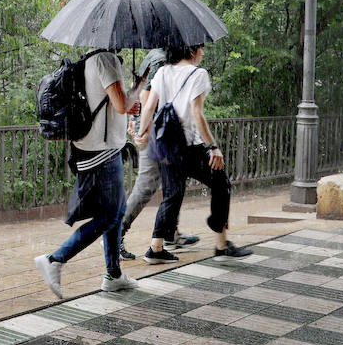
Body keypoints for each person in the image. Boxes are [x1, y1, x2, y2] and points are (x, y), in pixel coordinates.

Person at [34, 49, 141, 300]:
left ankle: (113, 274)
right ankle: (55, 259)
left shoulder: (91, 60)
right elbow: (121, 105)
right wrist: (140, 85)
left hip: (95, 147)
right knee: (110, 215)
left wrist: (130, 94)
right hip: (102, 152)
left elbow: (111, 104)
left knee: (117, 211)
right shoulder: (106, 59)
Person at [134, 43, 252, 264]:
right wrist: (213, 147)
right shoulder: (198, 74)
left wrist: (140, 133)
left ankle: (155, 249)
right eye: (201, 49)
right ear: (191, 51)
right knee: (220, 184)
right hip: (190, 144)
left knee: (172, 195)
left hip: (165, 144)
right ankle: (221, 245)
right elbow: (197, 114)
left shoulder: (162, 71)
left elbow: (149, 106)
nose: (203, 53)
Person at [118, 48, 199, 260]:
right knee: (147, 185)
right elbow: (145, 96)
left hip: (157, 129)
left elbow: (137, 89)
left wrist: (134, 122)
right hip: (155, 131)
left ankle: (170, 233)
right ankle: (115, 234)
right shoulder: (161, 59)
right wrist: (142, 129)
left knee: (173, 182)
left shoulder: (158, 57)